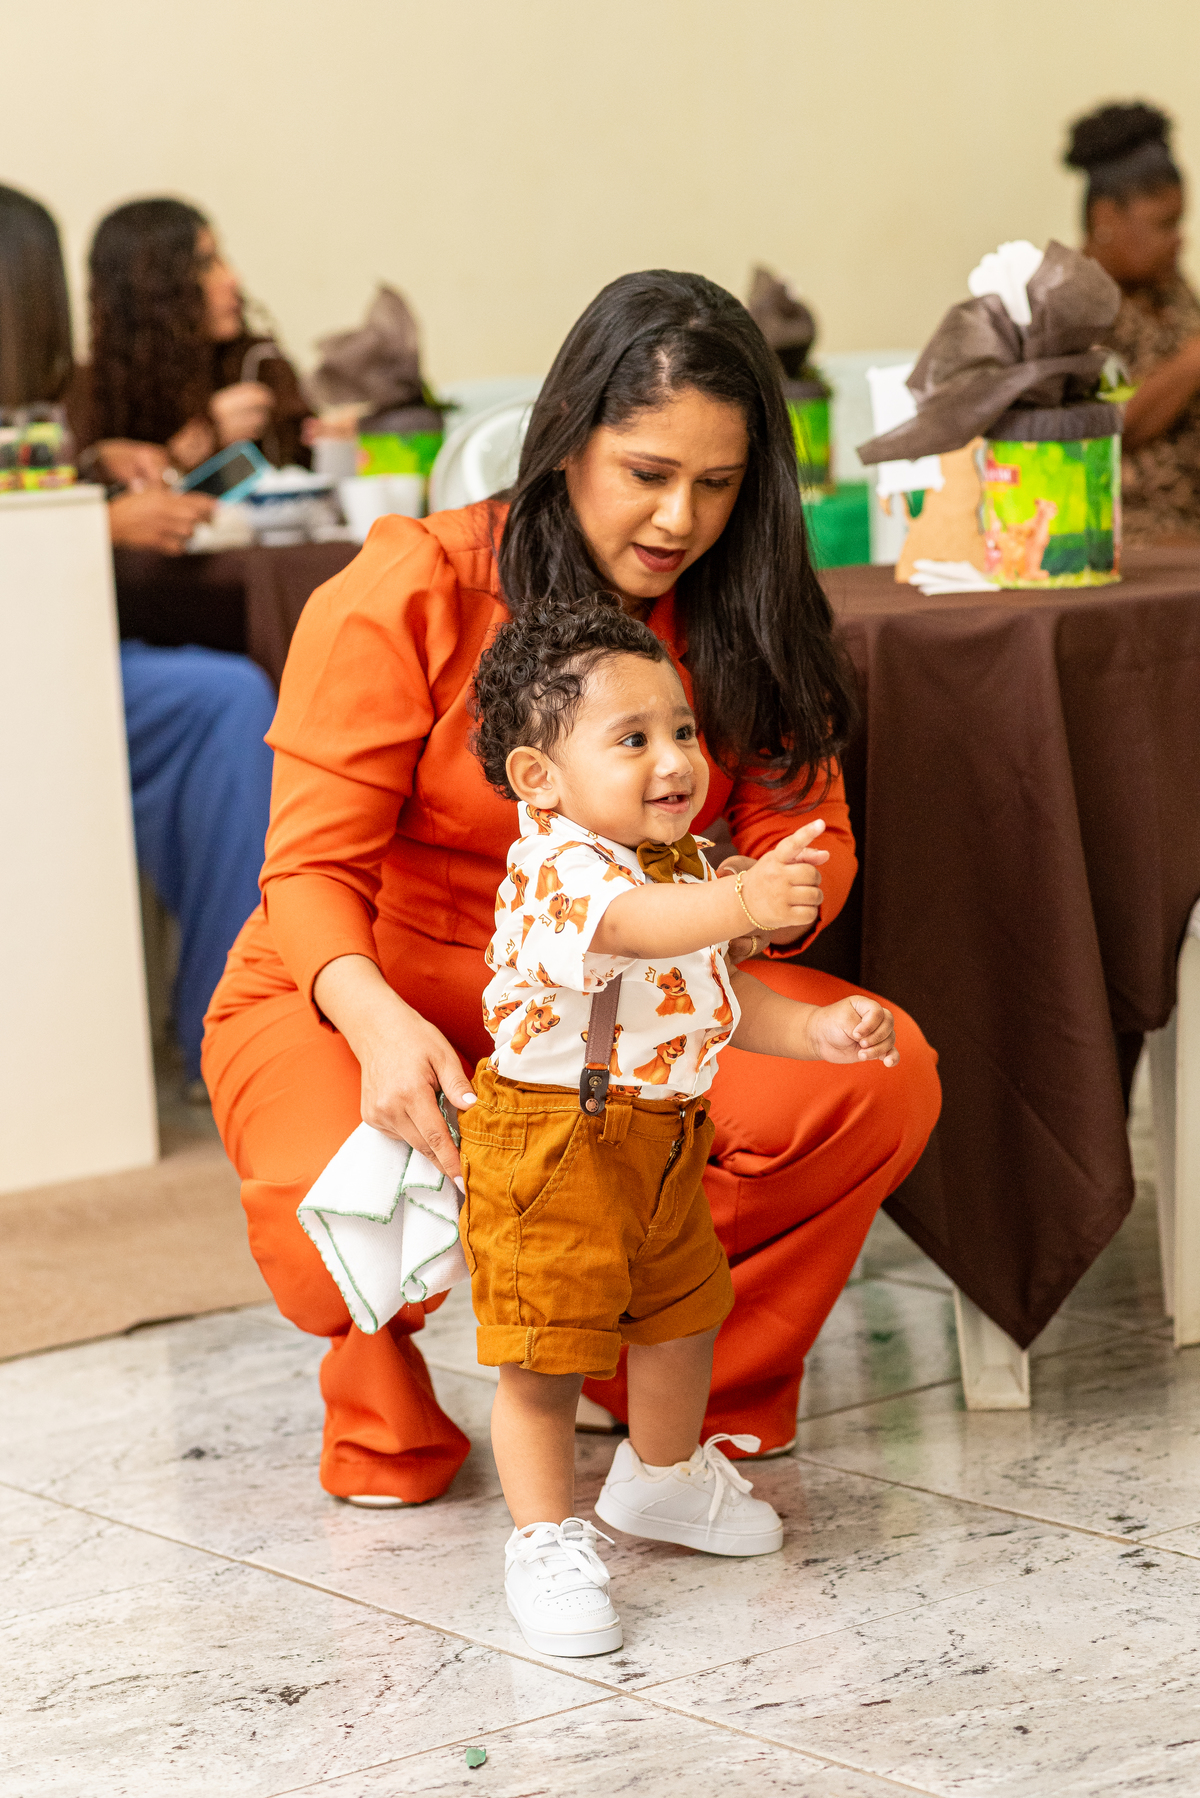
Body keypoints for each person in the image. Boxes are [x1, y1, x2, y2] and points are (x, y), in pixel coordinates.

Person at [202, 268, 941, 1509]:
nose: (679, 519)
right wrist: (379, 1030)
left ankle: (659, 1381)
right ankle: (379, 1394)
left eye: (718, 484)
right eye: (647, 473)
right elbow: (309, 869)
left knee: (871, 1077)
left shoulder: (750, 610)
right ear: (566, 442)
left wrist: (764, 899)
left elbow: (806, 840)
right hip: (369, 973)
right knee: (335, 1206)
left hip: (619, 999)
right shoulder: (414, 583)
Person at [462, 598, 899, 1656]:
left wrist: (821, 1027)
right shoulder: (560, 871)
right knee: (544, 1352)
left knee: (682, 1312)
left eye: (683, 732)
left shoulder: (684, 870)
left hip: (659, 1138)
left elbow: (712, 996)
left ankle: (659, 1478)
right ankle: (543, 1539)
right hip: (551, 1146)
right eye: (633, 738)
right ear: (541, 778)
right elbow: (639, 933)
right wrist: (745, 904)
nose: (674, 761)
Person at [0, 183, 275, 1093]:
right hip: (32, 674)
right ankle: (221, 1024)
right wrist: (103, 526)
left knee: (220, 697)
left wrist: (88, 472)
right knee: (226, 703)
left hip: (50, 657)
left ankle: (218, 1014)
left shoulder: (55, 411)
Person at [67, 197, 311, 477]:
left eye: (222, 260)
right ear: (151, 289)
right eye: (205, 265)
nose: (233, 278)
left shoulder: (257, 365)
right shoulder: (91, 394)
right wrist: (197, 444)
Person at [1068, 101, 1200, 541]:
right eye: (1164, 224)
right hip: (1131, 537)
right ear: (1106, 216)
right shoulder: (1071, 303)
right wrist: (1189, 363)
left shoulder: (1170, 290)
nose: (1179, 240)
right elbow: (1107, 414)